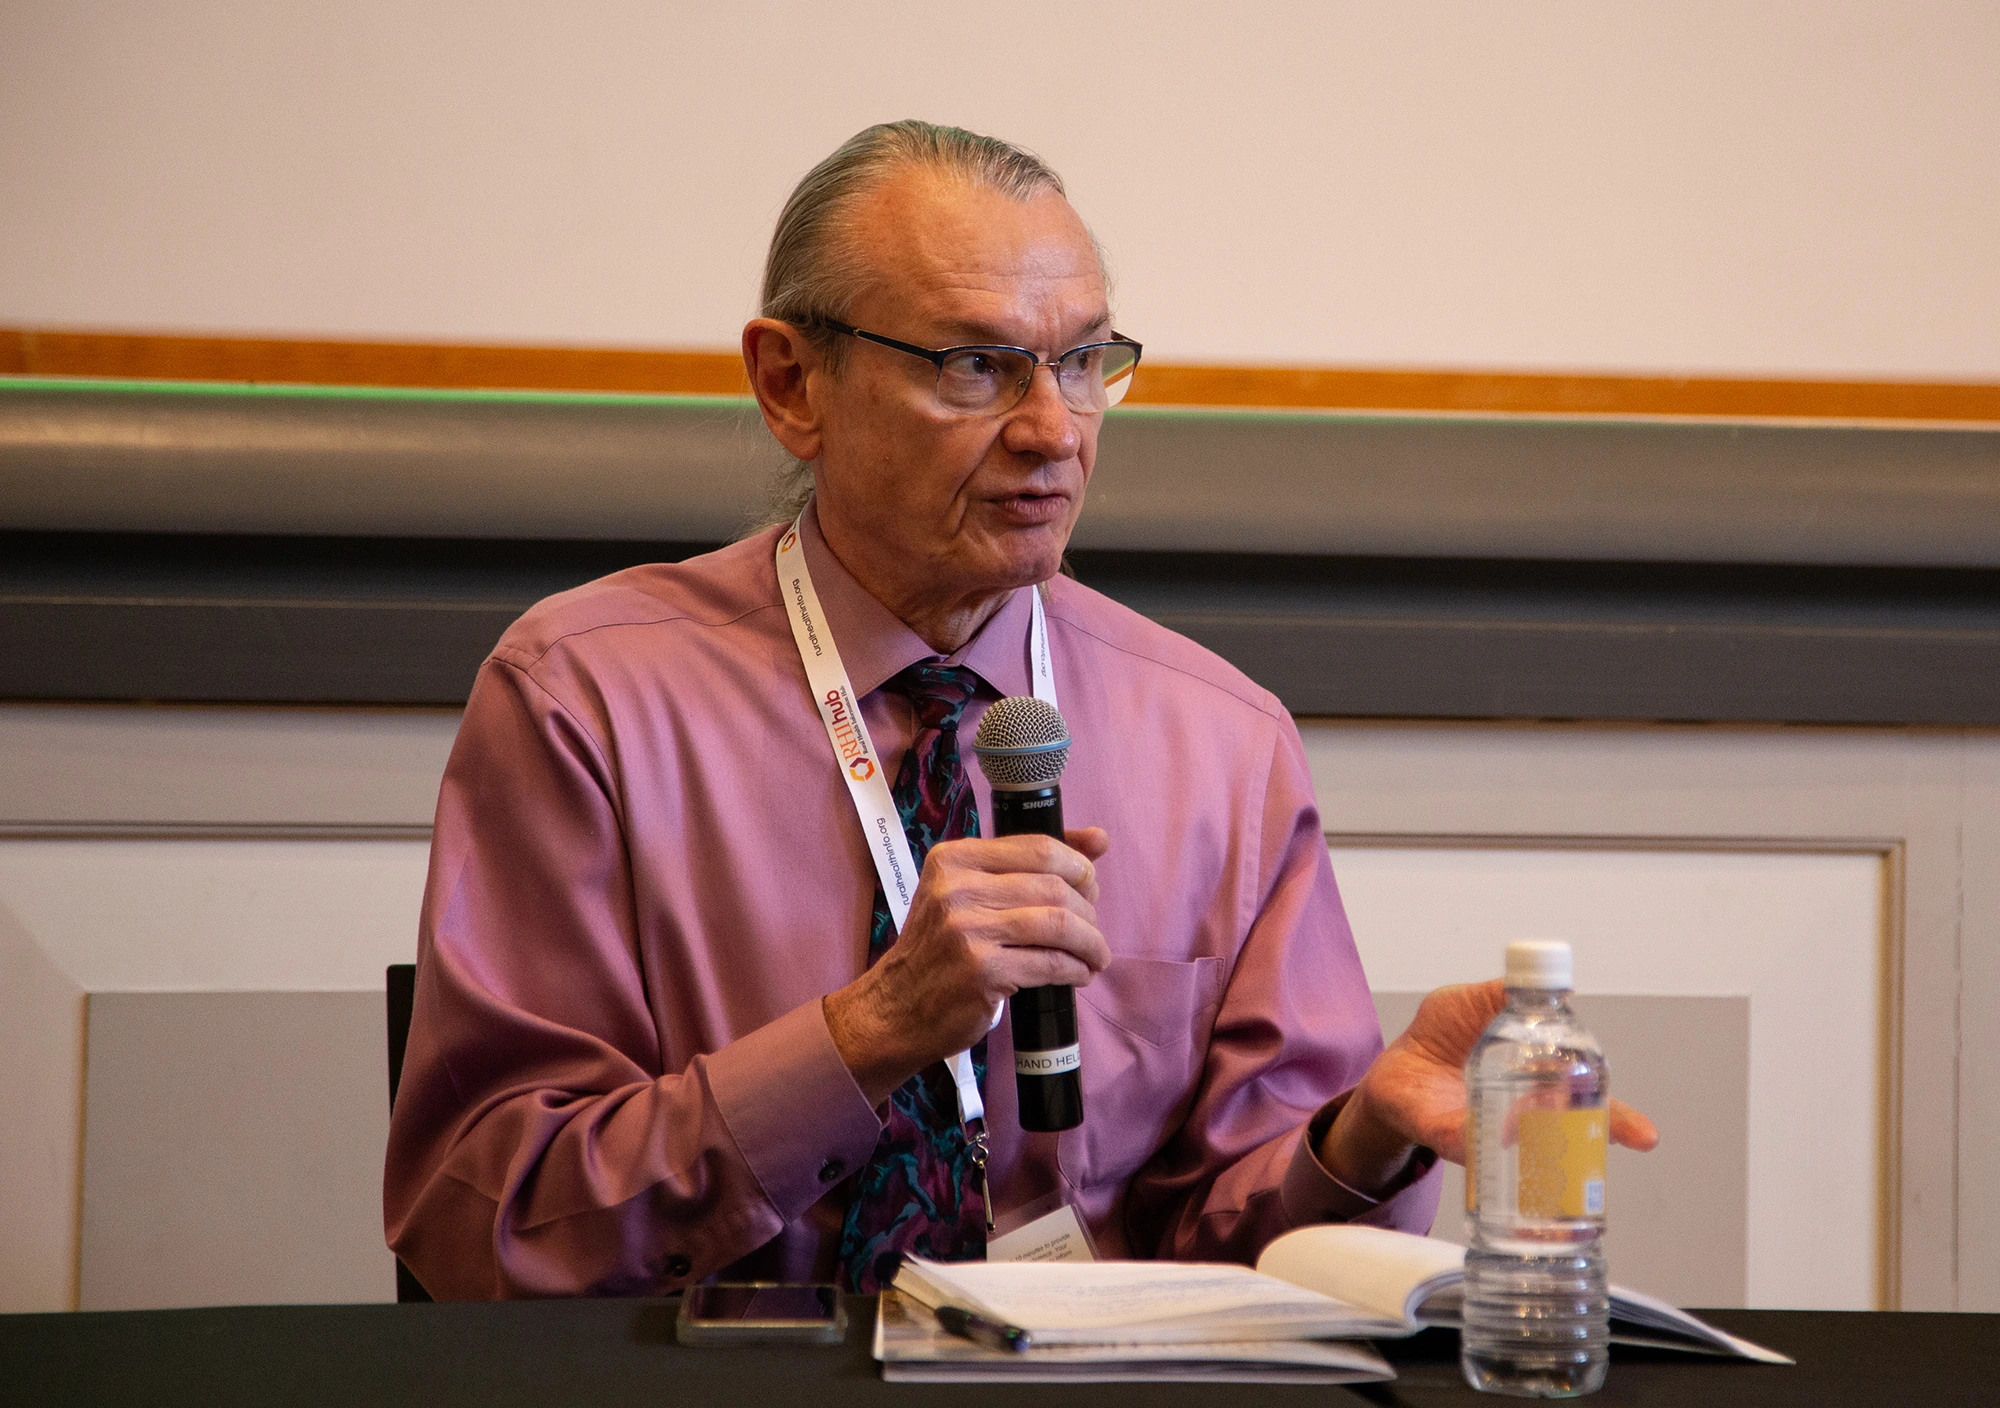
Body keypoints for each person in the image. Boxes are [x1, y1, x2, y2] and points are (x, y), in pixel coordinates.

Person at [384, 120, 1655, 1300]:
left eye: (1084, 361)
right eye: (975, 366)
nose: (1052, 429)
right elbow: (476, 1223)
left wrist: (1362, 1133)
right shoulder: (585, 697)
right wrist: (868, 1033)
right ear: (791, 384)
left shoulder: (1220, 740)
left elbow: (1243, 1274)